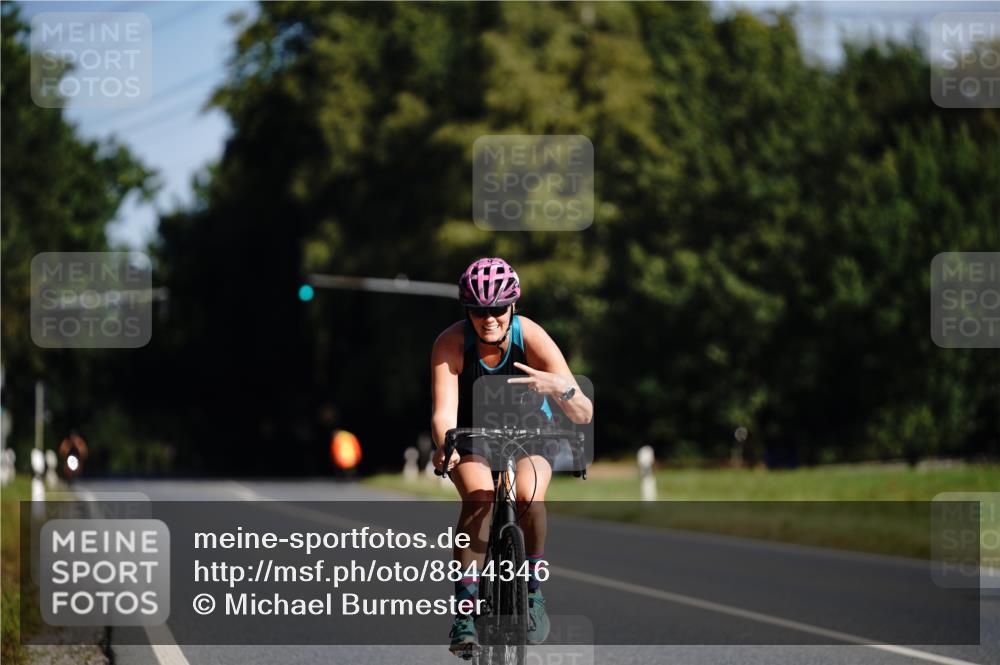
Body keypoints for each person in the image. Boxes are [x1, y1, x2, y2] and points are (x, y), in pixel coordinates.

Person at [431, 257, 593, 658]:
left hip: (532, 434)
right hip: (473, 435)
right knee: (480, 500)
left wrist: (560, 388)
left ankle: (533, 594)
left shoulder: (532, 337)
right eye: (478, 310)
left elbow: (583, 412)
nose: (489, 319)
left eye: (497, 309)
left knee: (528, 497)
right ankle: (465, 613)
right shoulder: (450, 343)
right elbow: (443, 413)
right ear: (467, 311)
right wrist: (443, 446)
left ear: (512, 307)